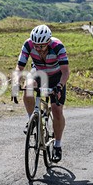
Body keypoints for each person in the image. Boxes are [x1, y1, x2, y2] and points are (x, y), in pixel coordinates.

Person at [12, 24, 70, 162]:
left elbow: (65, 72)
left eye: (42, 46)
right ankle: (31, 120)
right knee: (27, 88)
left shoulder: (58, 46)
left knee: (57, 110)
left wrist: (59, 87)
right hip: (38, 72)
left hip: (56, 76)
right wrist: (15, 84)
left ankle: (57, 146)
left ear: (48, 42)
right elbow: (19, 67)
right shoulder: (28, 44)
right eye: (36, 46)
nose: (38, 48)